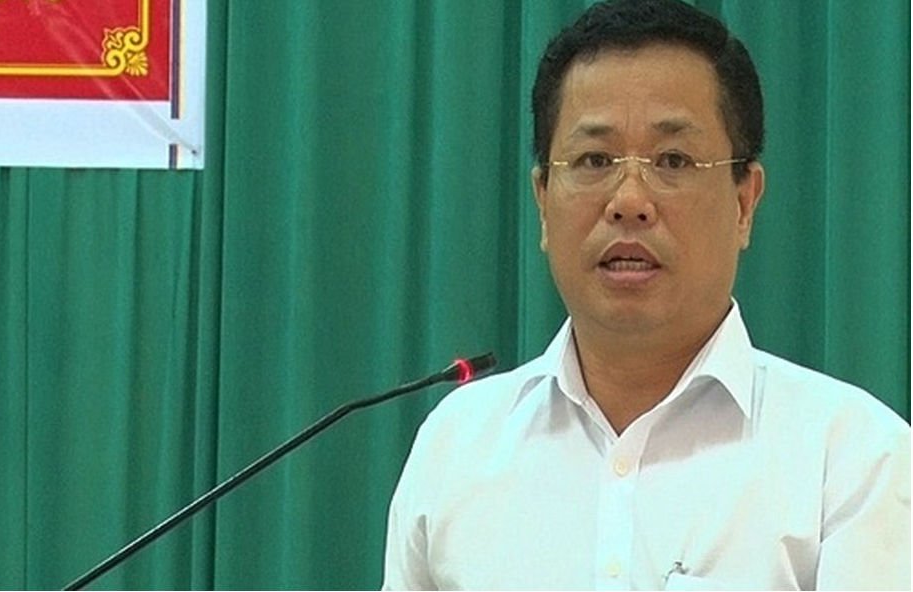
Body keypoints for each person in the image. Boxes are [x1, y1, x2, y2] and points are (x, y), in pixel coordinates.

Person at [382, 0, 911, 589]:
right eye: (594, 160)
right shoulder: (456, 446)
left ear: (744, 203)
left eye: (673, 160)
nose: (629, 200)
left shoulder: (852, 458)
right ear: (543, 201)